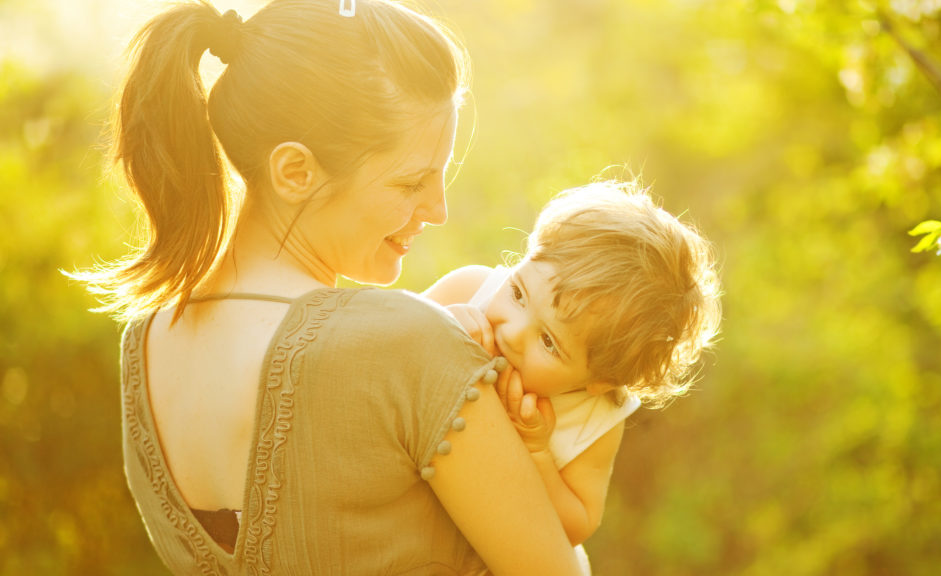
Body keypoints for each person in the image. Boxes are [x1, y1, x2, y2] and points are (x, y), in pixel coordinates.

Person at [71, 0, 585, 574]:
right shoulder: (408, 345)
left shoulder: (145, 344)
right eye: (412, 181)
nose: (438, 210)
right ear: (295, 171)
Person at [423, 180, 722, 561]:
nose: (512, 332)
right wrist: (436, 330)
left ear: (599, 380)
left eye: (548, 341)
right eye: (518, 294)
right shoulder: (469, 290)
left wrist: (537, 453)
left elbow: (574, 527)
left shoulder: (595, 416)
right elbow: (375, 342)